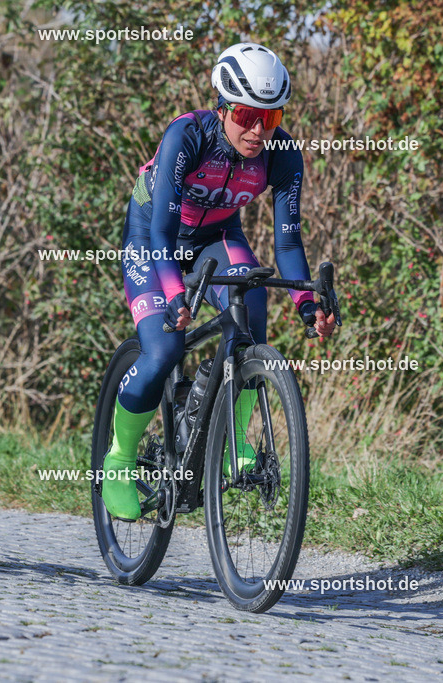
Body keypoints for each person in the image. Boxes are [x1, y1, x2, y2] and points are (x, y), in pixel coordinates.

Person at [102, 42, 336, 520]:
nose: (257, 130)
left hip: (218, 236)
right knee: (166, 349)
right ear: (223, 105)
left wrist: (309, 307)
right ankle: (120, 459)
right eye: (247, 114)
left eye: (270, 119)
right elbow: (163, 234)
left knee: (251, 320)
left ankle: (231, 442)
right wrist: (173, 296)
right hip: (153, 236)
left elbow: (288, 245)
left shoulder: (283, 154)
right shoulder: (186, 136)